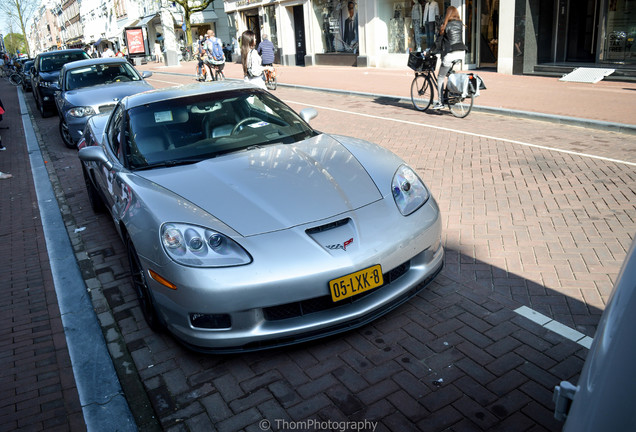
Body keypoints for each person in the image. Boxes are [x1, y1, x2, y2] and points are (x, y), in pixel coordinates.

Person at [432, 6, 467, 110]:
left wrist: (430, 51)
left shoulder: (446, 26)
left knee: (440, 77)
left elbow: (438, 42)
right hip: (461, 52)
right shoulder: (460, 24)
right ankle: (453, 91)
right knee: (449, 71)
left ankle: (440, 102)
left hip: (451, 54)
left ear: (448, 14)